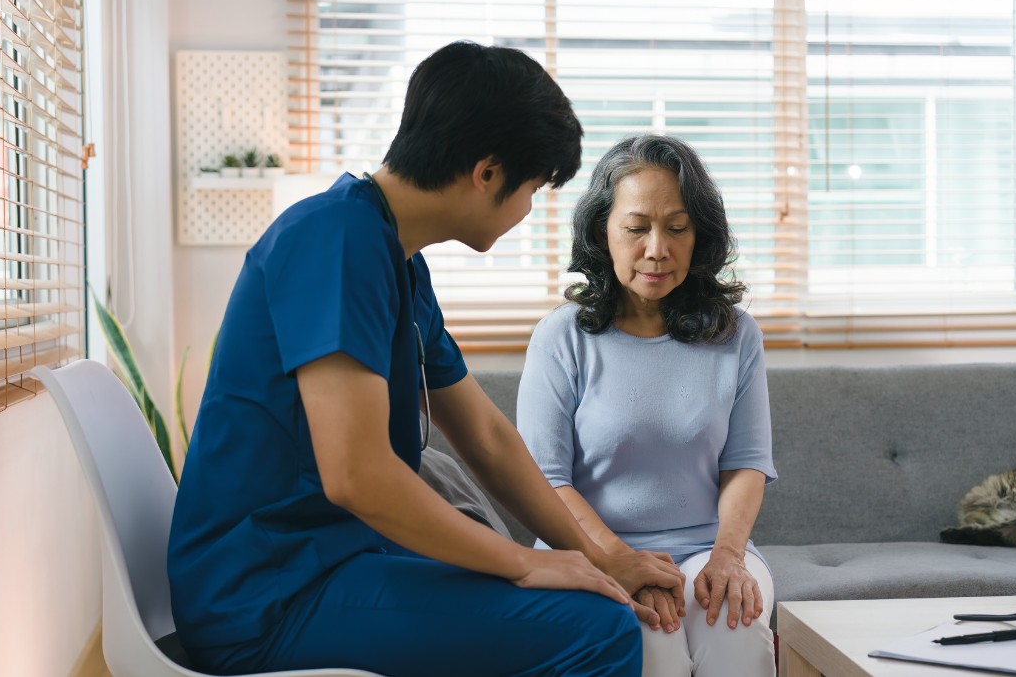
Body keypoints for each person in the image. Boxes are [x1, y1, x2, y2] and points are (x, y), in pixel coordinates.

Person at [167, 43, 685, 676]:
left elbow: (487, 437)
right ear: (486, 173)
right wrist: (526, 559)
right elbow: (355, 474)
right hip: (266, 597)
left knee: (574, 594)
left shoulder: (396, 259)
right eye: (531, 189)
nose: (527, 211)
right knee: (596, 630)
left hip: (328, 563)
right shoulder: (332, 240)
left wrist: (599, 554)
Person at [518, 134, 778, 676]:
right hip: (590, 552)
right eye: (637, 228)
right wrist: (621, 561)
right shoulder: (560, 336)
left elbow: (747, 464)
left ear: (699, 236)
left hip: (709, 550)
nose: (657, 248)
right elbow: (546, 480)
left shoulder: (735, 335)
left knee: (736, 634)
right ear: (601, 232)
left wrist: (728, 556)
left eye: (677, 228)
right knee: (649, 645)